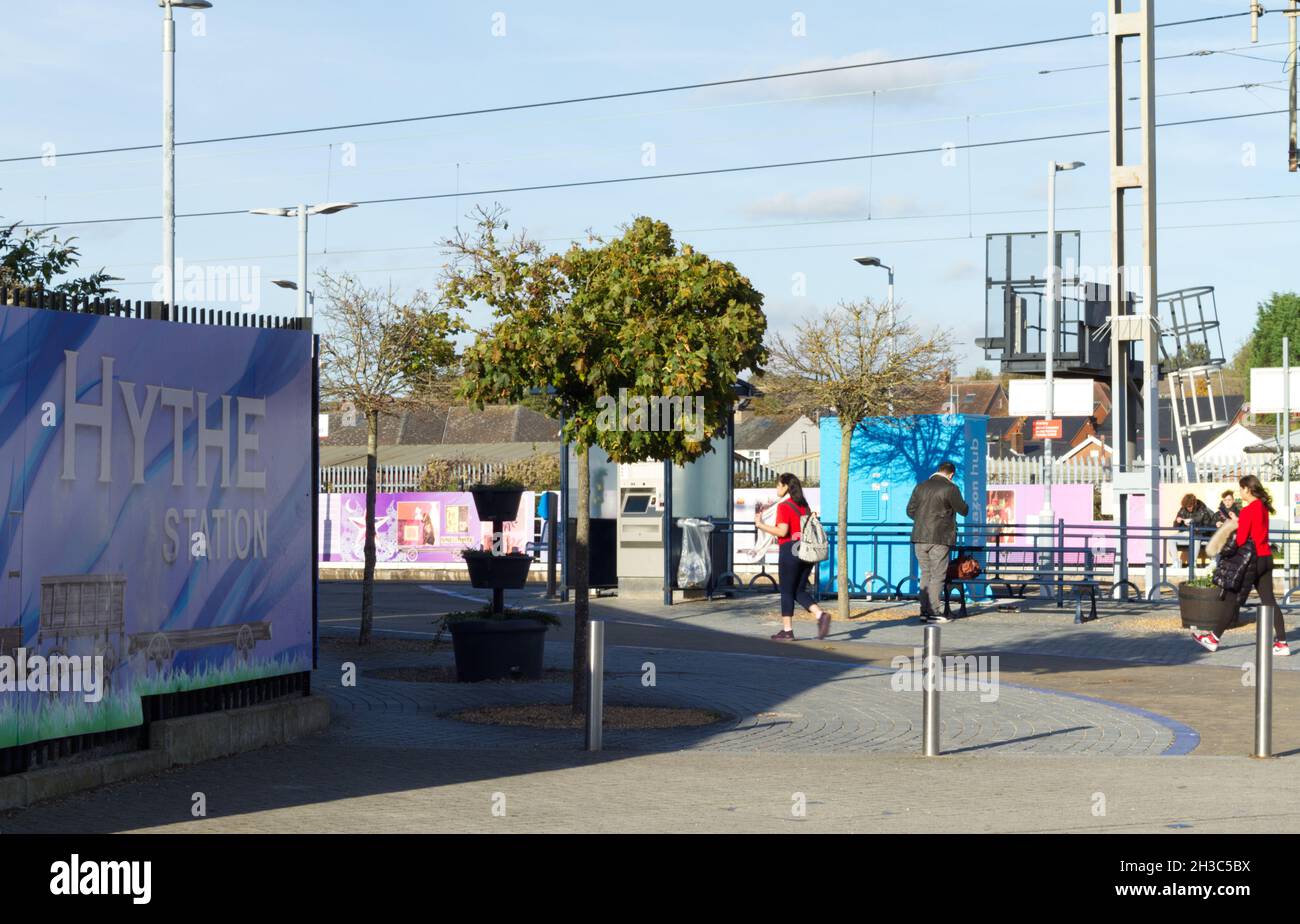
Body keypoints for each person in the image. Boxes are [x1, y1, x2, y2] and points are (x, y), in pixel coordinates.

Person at [1193, 475, 1289, 656]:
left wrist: (1233, 527)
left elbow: (1242, 538)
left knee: (1232, 598)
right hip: (1266, 557)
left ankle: (1213, 639)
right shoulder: (1261, 507)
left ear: (1247, 489)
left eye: (1241, 488)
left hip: (1252, 560)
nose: (1239, 492)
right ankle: (1282, 643)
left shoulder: (1248, 510)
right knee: (1269, 601)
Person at [755, 473, 830, 641]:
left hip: (790, 549)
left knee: (787, 591)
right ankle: (820, 615)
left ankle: (787, 630)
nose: (776, 488)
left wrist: (761, 525)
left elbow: (782, 531)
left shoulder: (784, 506)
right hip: (805, 551)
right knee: (798, 590)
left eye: (778, 485)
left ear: (785, 487)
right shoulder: (804, 505)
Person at [906, 461, 969, 624]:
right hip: (940, 537)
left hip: (919, 536)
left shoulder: (920, 486)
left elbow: (910, 511)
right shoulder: (950, 488)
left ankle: (924, 611)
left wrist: (923, 520)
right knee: (938, 575)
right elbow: (963, 510)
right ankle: (934, 611)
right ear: (951, 474)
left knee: (925, 574)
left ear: (938, 471)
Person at [1173, 493, 1215, 567]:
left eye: (1190, 506)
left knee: (1196, 538)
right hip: (1187, 532)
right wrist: (1177, 521)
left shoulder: (1203, 510)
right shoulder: (1183, 509)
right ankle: (1176, 562)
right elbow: (1175, 526)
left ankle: (1193, 563)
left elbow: (1207, 527)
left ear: (1194, 503)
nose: (1188, 508)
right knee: (1171, 539)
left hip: (1199, 533)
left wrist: (1193, 524)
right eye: (1186, 507)